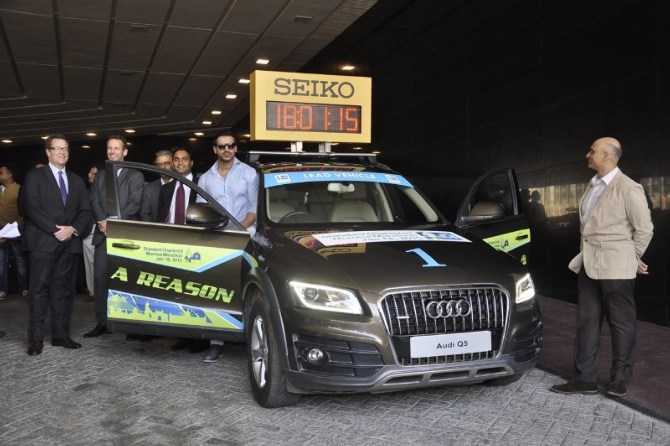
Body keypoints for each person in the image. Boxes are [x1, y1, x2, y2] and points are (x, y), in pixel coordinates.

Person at [550, 137, 653, 397]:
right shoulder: (592, 185)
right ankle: (584, 379)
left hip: (616, 266)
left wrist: (632, 256)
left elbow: (645, 229)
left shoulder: (628, 188)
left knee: (621, 323)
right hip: (589, 263)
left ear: (607, 155)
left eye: (592, 151)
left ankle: (619, 378)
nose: (588, 154)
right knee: (587, 321)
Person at [21, 134, 92, 355]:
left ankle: (61, 335)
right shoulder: (35, 176)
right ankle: (35, 340)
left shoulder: (77, 180)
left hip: (69, 244)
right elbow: (31, 208)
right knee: (39, 291)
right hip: (43, 243)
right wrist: (56, 230)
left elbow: (85, 211)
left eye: (66, 149)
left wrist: (72, 229)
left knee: (63, 291)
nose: (62, 152)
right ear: (48, 151)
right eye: (58, 148)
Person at [196, 132, 258, 362]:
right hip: (216, 239)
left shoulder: (249, 174)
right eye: (222, 146)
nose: (226, 149)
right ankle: (216, 342)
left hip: (244, 236)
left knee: (245, 288)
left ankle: (250, 339)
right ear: (215, 149)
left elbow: (254, 209)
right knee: (216, 290)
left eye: (230, 145)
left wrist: (238, 230)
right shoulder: (205, 179)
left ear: (236, 148)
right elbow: (202, 212)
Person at [84, 135, 144, 338]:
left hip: (126, 237)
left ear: (125, 152)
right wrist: (102, 221)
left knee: (127, 281)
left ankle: (130, 326)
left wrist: (114, 223)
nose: (112, 152)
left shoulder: (135, 176)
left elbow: (135, 204)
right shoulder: (99, 176)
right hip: (103, 236)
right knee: (101, 280)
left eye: (116, 148)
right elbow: (94, 200)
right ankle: (102, 322)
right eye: (109, 148)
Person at [0, 162, 28, 299]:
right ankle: (2, 290)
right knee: (1, 262)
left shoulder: (19, 189)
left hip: (16, 229)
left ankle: (24, 288)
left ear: (9, 175)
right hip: (0, 231)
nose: (0, 175)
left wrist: (14, 228)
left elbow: (24, 212)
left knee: (20, 261)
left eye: (1, 173)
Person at [81, 165, 102, 302]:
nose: (91, 176)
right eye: (89, 174)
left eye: (94, 173)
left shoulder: (106, 192)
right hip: (88, 230)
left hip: (104, 229)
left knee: (103, 263)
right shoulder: (85, 192)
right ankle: (92, 291)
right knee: (89, 262)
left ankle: (104, 291)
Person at [140, 150, 173, 222]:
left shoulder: (180, 186)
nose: (163, 167)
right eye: (159, 164)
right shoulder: (149, 189)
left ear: (173, 163)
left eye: (166, 163)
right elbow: (145, 214)